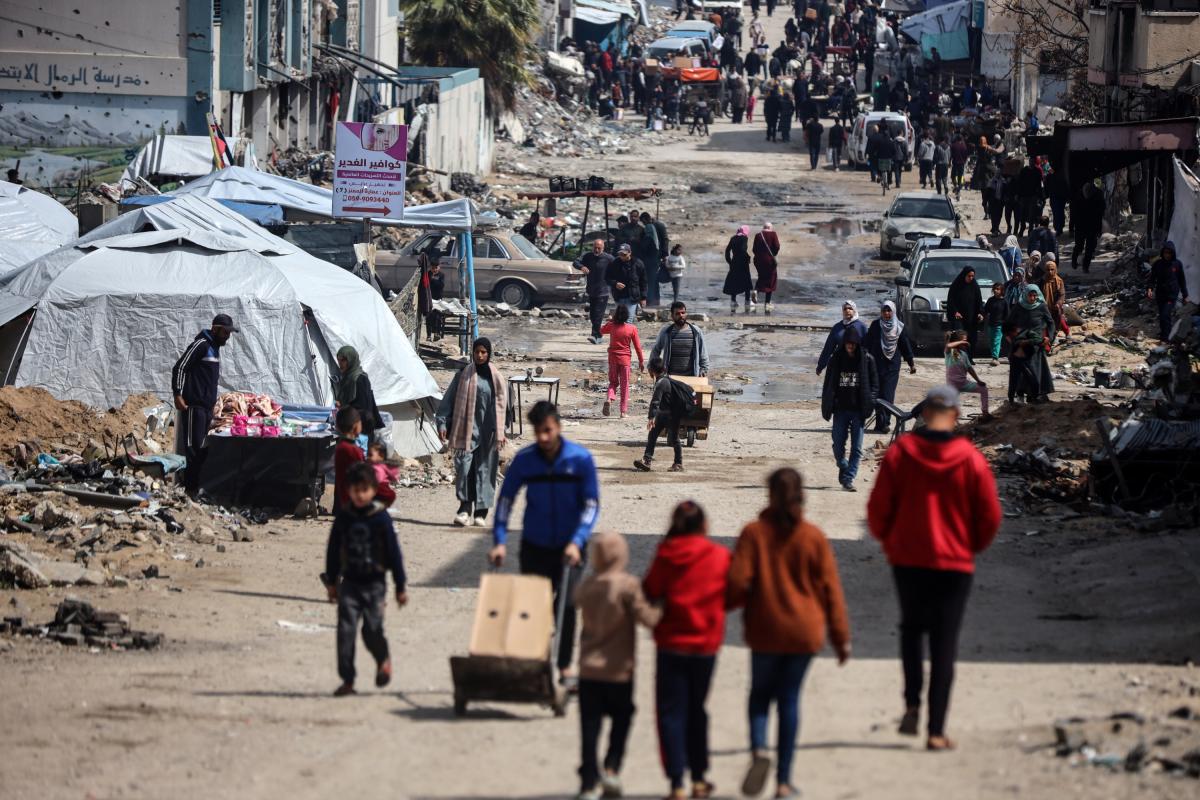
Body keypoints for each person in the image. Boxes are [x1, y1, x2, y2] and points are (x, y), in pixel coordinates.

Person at [867, 384, 1001, 751]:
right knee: (944, 642)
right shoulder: (970, 459)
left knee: (911, 630)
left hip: (908, 559)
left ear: (924, 414)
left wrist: (891, 541)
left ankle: (912, 703)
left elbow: (878, 510)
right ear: (955, 415)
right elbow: (989, 515)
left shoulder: (901, 453)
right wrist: (970, 547)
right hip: (954, 563)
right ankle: (936, 730)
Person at [728, 467, 851, 799]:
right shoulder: (813, 537)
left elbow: (736, 583)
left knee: (759, 696)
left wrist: (723, 605)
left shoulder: (753, 533)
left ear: (769, 494)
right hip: (804, 633)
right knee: (789, 700)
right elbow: (832, 591)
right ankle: (783, 782)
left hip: (765, 630)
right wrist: (840, 638)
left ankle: (759, 749)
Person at [491, 402, 600, 677]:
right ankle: (535, 665)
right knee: (533, 606)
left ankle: (563, 666)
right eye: (538, 431)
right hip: (535, 546)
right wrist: (499, 540)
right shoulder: (525, 460)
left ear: (558, 427)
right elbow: (505, 501)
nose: (543, 437)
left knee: (567, 605)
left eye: (548, 430)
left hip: (571, 548)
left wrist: (578, 540)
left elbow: (591, 505)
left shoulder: (580, 459)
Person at [643, 501, 730, 800]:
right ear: (704, 525)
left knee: (671, 713)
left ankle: (677, 782)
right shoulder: (719, 555)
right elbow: (731, 593)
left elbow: (650, 589)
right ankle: (699, 778)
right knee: (697, 710)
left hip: (671, 644)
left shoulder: (666, 555)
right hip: (705, 645)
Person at [574, 531, 662, 800]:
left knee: (590, 727)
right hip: (619, 670)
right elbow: (648, 619)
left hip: (589, 669)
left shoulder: (588, 586)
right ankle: (611, 767)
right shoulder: (628, 586)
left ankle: (588, 782)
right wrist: (662, 607)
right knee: (623, 717)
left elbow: (574, 600)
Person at [323, 462, 407, 697]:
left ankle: (383, 659)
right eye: (355, 490)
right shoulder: (344, 517)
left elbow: (394, 554)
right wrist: (332, 582)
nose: (360, 495)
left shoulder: (381, 519)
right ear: (348, 490)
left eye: (365, 490)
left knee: (371, 630)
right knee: (345, 632)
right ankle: (348, 680)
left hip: (375, 585)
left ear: (373, 490)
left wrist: (400, 586)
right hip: (349, 584)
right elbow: (333, 551)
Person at [437, 338, 506, 527]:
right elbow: (447, 401)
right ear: (473, 353)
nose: (480, 355)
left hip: (488, 434)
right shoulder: (463, 376)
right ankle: (464, 509)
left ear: (489, 354)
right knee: (464, 470)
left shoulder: (496, 378)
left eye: (484, 352)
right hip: (465, 431)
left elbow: (503, 408)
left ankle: (481, 513)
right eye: (477, 352)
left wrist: (502, 431)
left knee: (485, 471)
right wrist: (442, 423)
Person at [172, 313, 238, 498]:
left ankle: (195, 488)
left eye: (229, 333)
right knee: (193, 449)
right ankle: (189, 490)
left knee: (202, 449)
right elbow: (180, 367)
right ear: (215, 329)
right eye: (225, 332)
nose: (228, 336)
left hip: (207, 409)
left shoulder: (214, 348)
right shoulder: (201, 345)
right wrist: (177, 394)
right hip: (194, 407)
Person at [820, 327, 878, 492]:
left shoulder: (867, 359)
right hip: (840, 409)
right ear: (844, 343)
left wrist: (870, 402)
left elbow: (875, 384)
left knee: (857, 448)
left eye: (853, 343)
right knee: (838, 444)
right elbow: (828, 383)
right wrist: (827, 403)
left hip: (858, 410)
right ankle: (843, 465)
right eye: (848, 343)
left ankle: (848, 479)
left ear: (857, 343)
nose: (850, 346)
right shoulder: (836, 359)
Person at [865, 300, 916, 434]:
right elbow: (867, 343)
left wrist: (911, 363)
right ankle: (879, 423)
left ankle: (885, 423)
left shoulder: (899, 327)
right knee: (877, 394)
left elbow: (905, 345)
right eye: (884, 311)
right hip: (876, 365)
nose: (887, 313)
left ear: (893, 312)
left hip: (892, 366)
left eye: (889, 311)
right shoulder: (876, 325)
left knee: (887, 394)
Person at [635, 358, 692, 473]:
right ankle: (649, 460)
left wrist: (651, 417)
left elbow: (655, 401)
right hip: (669, 415)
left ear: (652, 370)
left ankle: (675, 463)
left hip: (667, 415)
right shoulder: (665, 379)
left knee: (671, 438)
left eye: (649, 368)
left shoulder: (661, 383)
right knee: (659, 436)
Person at [1005, 286, 1056, 403]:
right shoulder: (1019, 307)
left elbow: (1051, 323)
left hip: (1036, 344)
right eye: (1030, 295)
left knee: (1036, 370)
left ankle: (1035, 394)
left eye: (1034, 296)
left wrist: (1049, 337)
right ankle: (1020, 394)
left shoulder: (1041, 307)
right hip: (1021, 344)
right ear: (1025, 295)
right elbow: (1009, 323)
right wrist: (1010, 337)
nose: (1032, 298)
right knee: (1021, 372)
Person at [600, 305, 645, 419]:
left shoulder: (611, 326)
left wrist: (610, 320)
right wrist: (641, 361)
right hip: (625, 360)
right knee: (624, 385)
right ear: (627, 316)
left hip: (613, 359)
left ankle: (609, 399)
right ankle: (623, 412)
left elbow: (601, 330)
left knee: (613, 382)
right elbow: (638, 347)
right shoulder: (632, 328)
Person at [335, 345, 383, 445]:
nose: (340, 363)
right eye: (338, 360)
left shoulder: (360, 379)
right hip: (350, 428)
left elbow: (364, 408)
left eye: (343, 360)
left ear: (351, 359)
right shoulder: (347, 378)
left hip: (361, 430)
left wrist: (344, 408)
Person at [651, 301, 710, 377]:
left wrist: (704, 369)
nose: (681, 315)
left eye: (683, 313)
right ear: (672, 316)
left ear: (686, 314)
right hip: (671, 377)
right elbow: (656, 350)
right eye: (677, 314)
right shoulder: (666, 332)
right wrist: (651, 367)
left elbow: (703, 352)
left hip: (691, 377)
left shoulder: (696, 331)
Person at [575, 238, 615, 344]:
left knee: (598, 314)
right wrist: (582, 267)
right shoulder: (588, 256)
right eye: (595, 248)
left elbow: (618, 266)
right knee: (593, 315)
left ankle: (595, 336)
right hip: (591, 291)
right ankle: (599, 335)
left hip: (603, 291)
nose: (596, 250)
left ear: (603, 248)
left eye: (599, 248)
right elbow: (575, 262)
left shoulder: (608, 258)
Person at [1148, 241, 1190, 341]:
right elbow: (1152, 278)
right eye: (1165, 252)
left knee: (1165, 315)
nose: (1167, 255)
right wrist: (1150, 289)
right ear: (1162, 252)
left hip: (1171, 295)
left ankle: (1166, 338)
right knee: (1162, 315)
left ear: (1173, 253)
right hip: (1160, 294)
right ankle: (1164, 333)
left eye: (1169, 253)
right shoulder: (1158, 264)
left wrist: (1185, 295)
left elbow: (1182, 281)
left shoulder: (1177, 264)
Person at [944, 330, 990, 418]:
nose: (966, 343)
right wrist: (961, 342)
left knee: (983, 389)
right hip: (952, 385)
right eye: (963, 341)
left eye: (966, 341)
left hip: (964, 383)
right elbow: (948, 345)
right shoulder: (950, 352)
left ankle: (985, 413)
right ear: (956, 341)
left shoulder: (964, 354)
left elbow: (970, 369)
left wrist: (978, 380)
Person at [816, 300, 868, 375]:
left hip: (858, 364)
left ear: (855, 310)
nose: (847, 310)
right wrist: (821, 365)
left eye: (850, 308)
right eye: (845, 309)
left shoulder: (861, 327)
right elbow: (828, 348)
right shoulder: (837, 327)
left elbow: (868, 348)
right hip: (840, 364)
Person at [945, 267, 984, 354]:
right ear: (964, 275)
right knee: (959, 337)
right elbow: (951, 300)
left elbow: (979, 300)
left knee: (972, 338)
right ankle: (958, 356)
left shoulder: (975, 286)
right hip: (959, 318)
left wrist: (980, 313)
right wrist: (955, 311)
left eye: (972, 276)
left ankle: (969, 357)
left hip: (971, 317)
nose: (971, 278)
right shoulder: (956, 285)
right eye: (969, 276)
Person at [1072, 182, 1105, 272]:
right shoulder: (1078, 195)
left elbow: (1100, 213)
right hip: (1083, 226)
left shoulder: (1097, 195)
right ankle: (1077, 262)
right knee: (1081, 246)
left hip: (1089, 226)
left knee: (1088, 247)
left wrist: (1099, 229)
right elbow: (1073, 213)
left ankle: (1084, 266)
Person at [607, 243, 646, 321]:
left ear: (630, 252)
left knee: (628, 320)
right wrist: (615, 283)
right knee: (620, 320)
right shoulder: (614, 263)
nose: (622, 257)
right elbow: (607, 278)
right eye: (620, 254)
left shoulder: (638, 263)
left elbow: (643, 282)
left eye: (624, 254)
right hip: (619, 296)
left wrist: (643, 298)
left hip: (632, 297)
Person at [724, 225, 755, 314]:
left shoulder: (733, 238)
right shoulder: (744, 238)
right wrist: (747, 257)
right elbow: (743, 249)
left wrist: (729, 261)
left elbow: (727, 251)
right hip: (743, 263)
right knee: (746, 282)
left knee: (734, 281)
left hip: (734, 263)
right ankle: (747, 301)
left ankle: (733, 301)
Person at [752, 223, 782, 314]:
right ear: (770, 228)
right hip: (769, 261)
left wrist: (759, 255)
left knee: (761, 277)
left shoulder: (758, 235)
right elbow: (777, 246)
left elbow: (754, 249)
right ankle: (767, 303)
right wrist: (773, 254)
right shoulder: (773, 234)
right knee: (771, 279)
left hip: (758, 261)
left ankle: (755, 292)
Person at [1042, 260, 1067, 342]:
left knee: (1057, 323)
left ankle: (1065, 333)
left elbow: (1062, 294)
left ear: (1055, 269)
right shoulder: (1041, 281)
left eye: (1052, 269)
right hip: (1044, 308)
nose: (1050, 272)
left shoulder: (1059, 281)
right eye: (1048, 270)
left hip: (1055, 308)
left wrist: (1058, 303)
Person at [983, 282, 1008, 366]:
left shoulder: (1004, 301)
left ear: (1002, 290)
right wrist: (981, 316)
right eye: (994, 289)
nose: (996, 291)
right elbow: (985, 310)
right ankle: (994, 356)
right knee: (991, 341)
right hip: (991, 324)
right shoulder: (991, 300)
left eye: (998, 289)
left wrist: (1006, 323)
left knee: (996, 341)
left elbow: (1007, 314)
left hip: (1000, 325)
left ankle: (995, 358)